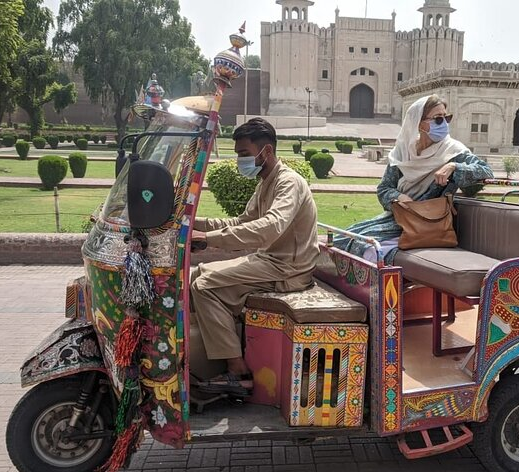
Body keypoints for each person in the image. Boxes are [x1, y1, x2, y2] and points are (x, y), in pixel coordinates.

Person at [190, 117, 319, 396]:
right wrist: (193, 224)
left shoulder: (289, 183)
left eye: (244, 154)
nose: (240, 161)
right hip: (271, 261)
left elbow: (270, 227)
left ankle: (237, 370)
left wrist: (208, 240)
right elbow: (240, 222)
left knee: (204, 285)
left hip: (288, 268)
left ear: (267, 152)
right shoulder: (265, 182)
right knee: (196, 274)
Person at [334, 94, 494, 263]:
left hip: (429, 222)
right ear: (419, 123)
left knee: (366, 246)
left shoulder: (453, 152)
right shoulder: (404, 152)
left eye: (447, 118)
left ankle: (377, 288)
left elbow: (486, 171)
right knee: (343, 238)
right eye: (438, 119)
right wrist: (400, 197)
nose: (445, 124)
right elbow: (384, 188)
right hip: (398, 217)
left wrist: (454, 167)